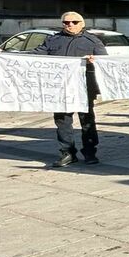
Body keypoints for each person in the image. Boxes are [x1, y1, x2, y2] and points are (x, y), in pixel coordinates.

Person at [33, 11, 108, 167]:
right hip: (59, 89)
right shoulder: (52, 40)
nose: (70, 25)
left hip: (84, 88)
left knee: (87, 121)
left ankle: (90, 152)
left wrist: (94, 61)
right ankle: (67, 153)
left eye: (74, 22)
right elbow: (33, 56)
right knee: (62, 122)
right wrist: (3, 54)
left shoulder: (92, 41)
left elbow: (105, 64)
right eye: (66, 22)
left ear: (82, 24)